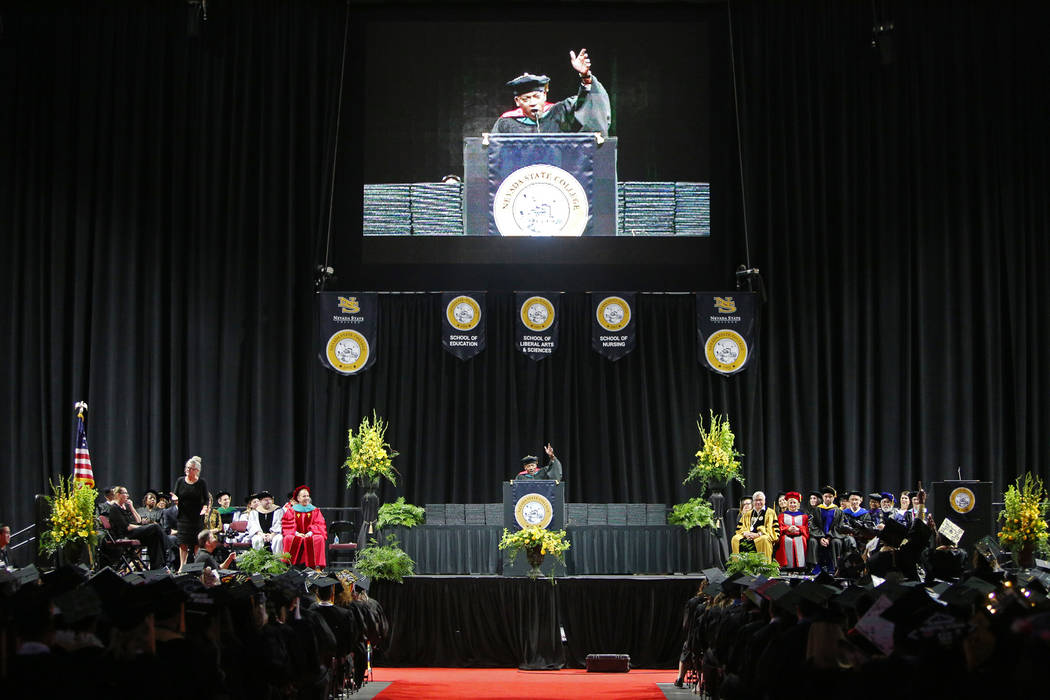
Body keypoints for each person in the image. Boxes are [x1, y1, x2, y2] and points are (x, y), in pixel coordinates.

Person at [491, 48, 611, 137]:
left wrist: (586, 77)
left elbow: (586, 105)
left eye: (536, 96)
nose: (532, 102)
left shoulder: (561, 112)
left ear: (544, 95)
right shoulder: (506, 123)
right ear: (517, 101)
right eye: (526, 99)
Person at [106, 486, 167, 569]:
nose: (128, 495)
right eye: (125, 493)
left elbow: (138, 520)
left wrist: (131, 507)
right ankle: (168, 543)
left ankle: (157, 567)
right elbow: (127, 527)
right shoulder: (114, 509)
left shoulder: (126, 507)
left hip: (133, 532)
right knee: (155, 527)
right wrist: (141, 527)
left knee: (154, 538)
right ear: (118, 495)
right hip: (125, 535)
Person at [173, 455, 210, 572]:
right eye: (187, 468)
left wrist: (205, 508)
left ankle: (195, 566)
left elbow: (206, 499)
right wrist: (175, 499)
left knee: (196, 543)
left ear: (197, 471)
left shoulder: (201, 483)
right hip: (183, 516)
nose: (188, 470)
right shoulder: (180, 481)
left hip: (196, 517)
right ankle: (182, 566)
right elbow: (176, 495)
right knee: (183, 542)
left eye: (191, 468)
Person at [282, 485, 327, 568]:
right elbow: (287, 524)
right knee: (288, 538)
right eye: (304, 496)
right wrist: (296, 533)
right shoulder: (292, 510)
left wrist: (310, 533)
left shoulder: (315, 510)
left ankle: (317, 566)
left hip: (311, 534)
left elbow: (319, 524)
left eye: (307, 496)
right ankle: (289, 566)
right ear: (298, 498)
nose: (306, 498)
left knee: (319, 538)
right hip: (296, 534)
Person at [730, 491, 778, 562]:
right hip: (748, 536)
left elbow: (772, 529)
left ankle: (764, 567)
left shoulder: (770, 513)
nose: (758, 502)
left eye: (760, 500)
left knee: (764, 539)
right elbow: (740, 527)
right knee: (735, 539)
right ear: (753, 502)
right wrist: (745, 533)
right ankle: (738, 566)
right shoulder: (748, 514)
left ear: (764, 501)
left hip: (761, 536)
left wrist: (758, 534)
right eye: (756, 500)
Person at [775, 492, 808, 571]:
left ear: (798, 504)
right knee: (785, 540)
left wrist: (799, 529)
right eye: (790, 503)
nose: (792, 505)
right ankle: (786, 566)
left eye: (794, 503)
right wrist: (788, 529)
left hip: (800, 535)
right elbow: (779, 527)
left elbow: (806, 528)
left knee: (802, 539)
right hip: (786, 535)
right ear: (787, 504)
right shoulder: (781, 516)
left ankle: (800, 567)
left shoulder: (804, 516)